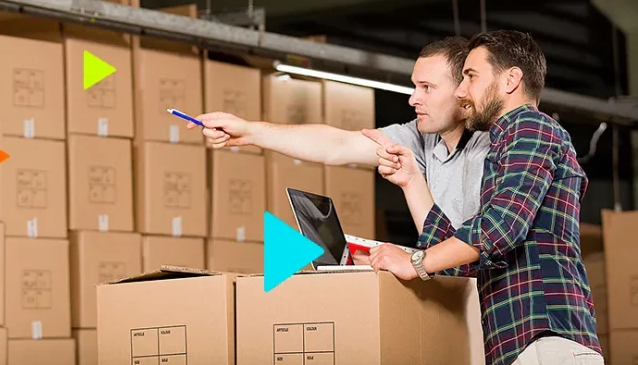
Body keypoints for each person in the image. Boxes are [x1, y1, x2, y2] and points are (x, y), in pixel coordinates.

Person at [371, 30, 603, 365]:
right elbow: (467, 259)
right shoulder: (505, 145)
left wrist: (414, 263)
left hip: (545, 339)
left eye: (471, 77)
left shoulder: (531, 128)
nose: (462, 92)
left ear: (511, 79)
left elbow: (500, 227)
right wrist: (412, 183)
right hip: (519, 344)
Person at [189, 37, 490, 235]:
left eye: (427, 88)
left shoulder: (492, 148)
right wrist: (251, 131)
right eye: (414, 86)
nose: (413, 99)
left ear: (463, 90)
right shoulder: (422, 139)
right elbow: (338, 145)